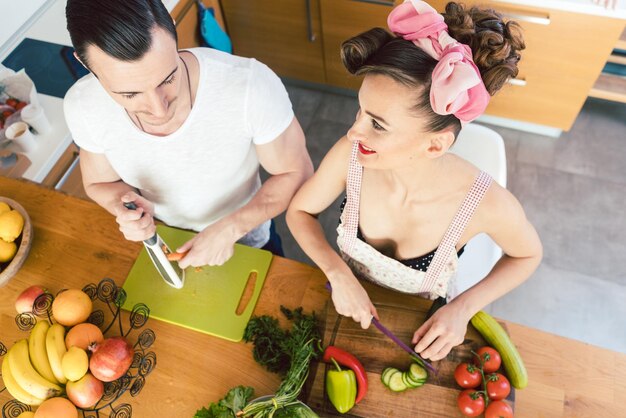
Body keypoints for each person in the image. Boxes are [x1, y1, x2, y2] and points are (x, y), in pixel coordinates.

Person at [286, 0, 542, 361]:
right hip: (346, 304)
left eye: (377, 124)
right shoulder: (351, 157)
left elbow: (528, 255)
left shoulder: (484, 204)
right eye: (360, 111)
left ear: (435, 144)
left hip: (419, 325)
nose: (352, 132)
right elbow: (298, 212)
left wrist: (463, 308)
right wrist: (337, 272)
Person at [63, 0, 313, 267]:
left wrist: (231, 229)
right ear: (85, 63)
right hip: (166, 237)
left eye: (168, 78)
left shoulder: (249, 86)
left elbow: (296, 172)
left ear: (172, 28)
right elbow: (100, 184)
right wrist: (123, 207)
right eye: (130, 94)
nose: (159, 110)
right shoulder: (83, 105)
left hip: (247, 231)